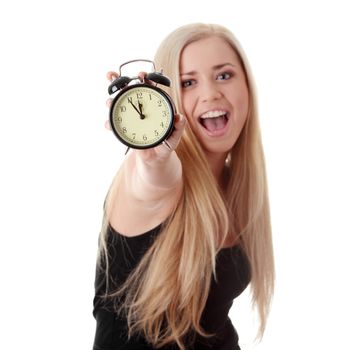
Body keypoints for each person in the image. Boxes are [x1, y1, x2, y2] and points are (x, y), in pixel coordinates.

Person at [92, 23, 275, 350]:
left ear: (247, 85)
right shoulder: (150, 175)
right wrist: (151, 158)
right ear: (167, 98)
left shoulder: (237, 185)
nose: (211, 93)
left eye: (223, 75)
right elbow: (155, 181)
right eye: (188, 82)